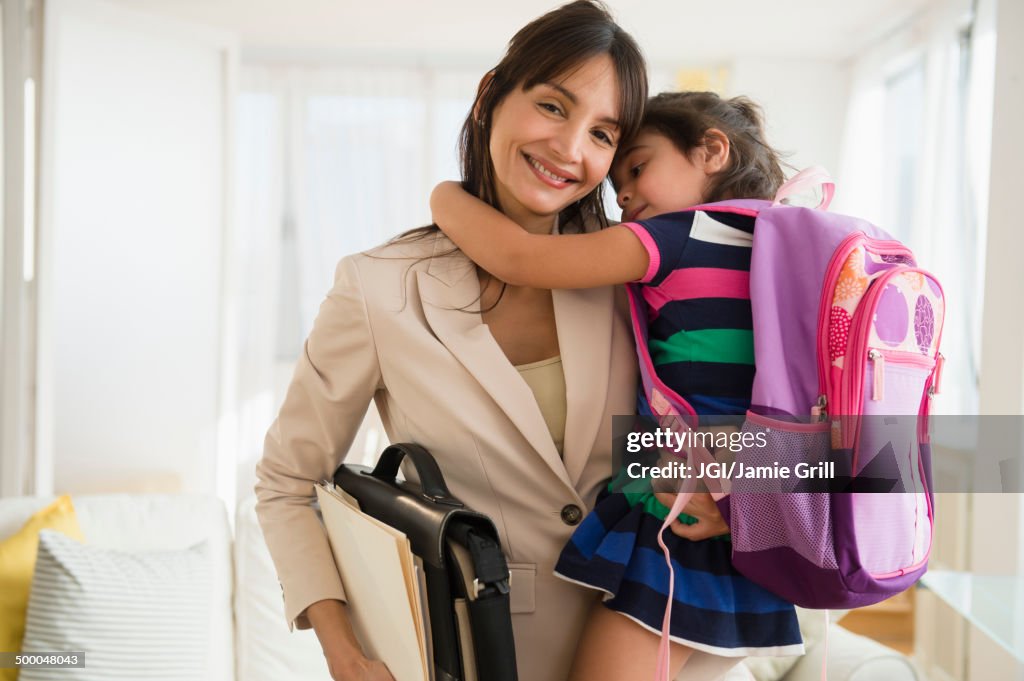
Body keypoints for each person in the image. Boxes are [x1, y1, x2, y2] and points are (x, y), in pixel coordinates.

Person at [254, 3, 660, 681]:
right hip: (481, 653)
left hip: (647, 647)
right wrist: (344, 651)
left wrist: (725, 487)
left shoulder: (635, 282)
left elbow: (683, 440)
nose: (571, 150)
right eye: (554, 107)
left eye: (602, 133)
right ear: (490, 94)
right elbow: (287, 482)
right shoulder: (380, 286)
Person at [429, 91, 805, 680]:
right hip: (749, 515)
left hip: (679, 523)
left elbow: (521, 259)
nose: (624, 194)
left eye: (638, 167)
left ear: (710, 150)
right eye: (617, 184)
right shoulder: (781, 246)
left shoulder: (675, 238)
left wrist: (442, 196)